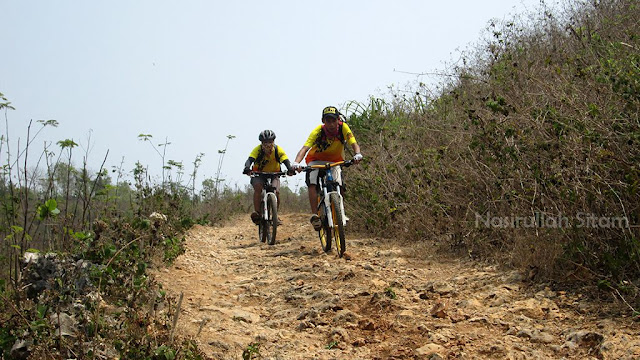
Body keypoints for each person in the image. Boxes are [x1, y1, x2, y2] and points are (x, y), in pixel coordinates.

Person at [292, 106, 363, 230]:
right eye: (327, 121)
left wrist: (357, 154)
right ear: (323, 121)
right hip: (315, 160)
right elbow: (304, 149)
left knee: (340, 185)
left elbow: (354, 143)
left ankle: (340, 213)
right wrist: (296, 162)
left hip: (335, 161)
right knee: (312, 183)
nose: (331, 124)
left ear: (338, 120)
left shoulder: (343, 128)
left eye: (333, 120)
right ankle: (315, 216)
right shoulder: (318, 131)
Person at [243, 130, 294, 225]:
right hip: (259, 173)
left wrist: (289, 168)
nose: (268, 145)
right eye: (265, 142)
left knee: (276, 191)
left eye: (270, 142)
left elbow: (285, 159)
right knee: (258, 188)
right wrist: (247, 168)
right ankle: (257, 213)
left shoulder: (278, 150)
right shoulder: (257, 150)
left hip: (274, 174)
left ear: (273, 142)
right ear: (261, 143)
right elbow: (250, 160)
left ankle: (275, 215)